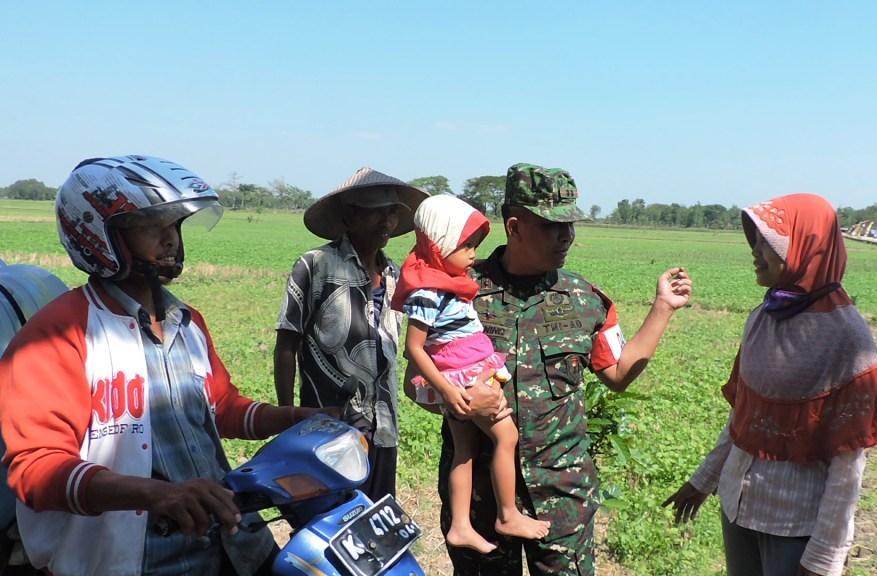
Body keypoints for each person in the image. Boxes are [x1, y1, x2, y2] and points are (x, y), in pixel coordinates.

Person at [0, 155, 326, 576]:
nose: (171, 239)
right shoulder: (58, 336)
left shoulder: (185, 321)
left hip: (233, 542)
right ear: (100, 235)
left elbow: (221, 409)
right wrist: (155, 494)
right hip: (137, 560)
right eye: (153, 227)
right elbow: (36, 468)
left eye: (176, 225)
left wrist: (297, 418)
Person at [406, 163, 692, 575]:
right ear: (515, 226)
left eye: (570, 226)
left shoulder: (585, 300)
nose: (566, 237)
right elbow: (414, 382)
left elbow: (619, 373)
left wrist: (663, 307)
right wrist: (465, 401)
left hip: (561, 499)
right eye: (551, 226)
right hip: (481, 502)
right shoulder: (459, 290)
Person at [662, 193, 877, 576]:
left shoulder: (847, 337)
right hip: (738, 509)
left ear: (809, 245)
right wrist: (704, 480)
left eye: (767, 243)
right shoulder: (763, 317)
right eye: (753, 241)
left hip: (795, 528)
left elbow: (849, 460)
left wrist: (825, 557)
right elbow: (744, 418)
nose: (755, 252)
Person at [392, 194, 550, 555]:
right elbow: (414, 348)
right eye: (465, 247)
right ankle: (508, 514)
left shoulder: (442, 281)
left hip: (461, 370)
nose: (473, 255)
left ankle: (461, 526)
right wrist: (449, 392)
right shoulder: (429, 291)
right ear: (439, 245)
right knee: (506, 437)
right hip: (460, 375)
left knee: (465, 449)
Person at [274, 166, 427, 502]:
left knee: (375, 522)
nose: (385, 223)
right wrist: (287, 416)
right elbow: (287, 344)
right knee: (327, 520)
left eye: (391, 214)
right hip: (329, 425)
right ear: (348, 218)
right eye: (375, 214)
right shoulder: (315, 266)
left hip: (383, 426)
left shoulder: (394, 275)